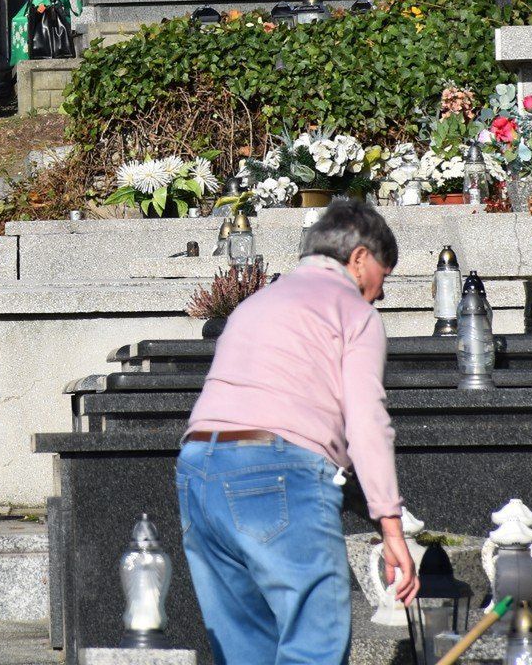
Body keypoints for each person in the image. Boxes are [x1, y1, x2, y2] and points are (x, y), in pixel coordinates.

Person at [176, 199, 416, 664]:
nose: (379, 294)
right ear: (360, 258)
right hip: (278, 469)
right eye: (382, 278)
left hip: (197, 469)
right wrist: (391, 527)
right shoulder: (352, 311)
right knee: (314, 643)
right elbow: (366, 421)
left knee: (245, 650)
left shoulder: (255, 304)